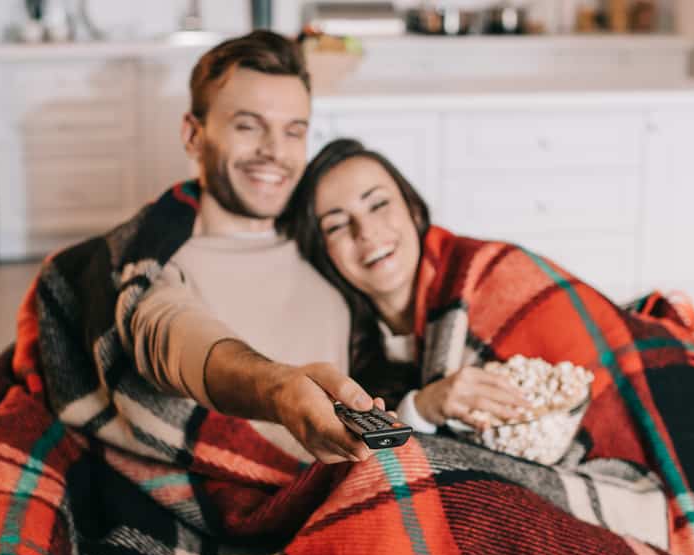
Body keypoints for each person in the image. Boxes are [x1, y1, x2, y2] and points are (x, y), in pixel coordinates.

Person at [125, 32, 380, 465]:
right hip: (237, 497)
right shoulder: (161, 259)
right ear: (193, 135)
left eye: (293, 131)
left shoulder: (326, 238)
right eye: (248, 126)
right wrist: (276, 389)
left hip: (344, 488)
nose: (275, 152)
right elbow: (167, 335)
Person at [282, 138, 531, 434]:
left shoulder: (495, 276)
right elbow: (363, 455)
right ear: (323, 253)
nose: (366, 232)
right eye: (336, 226)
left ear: (412, 208)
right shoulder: (337, 349)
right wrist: (422, 409)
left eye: (378, 204)